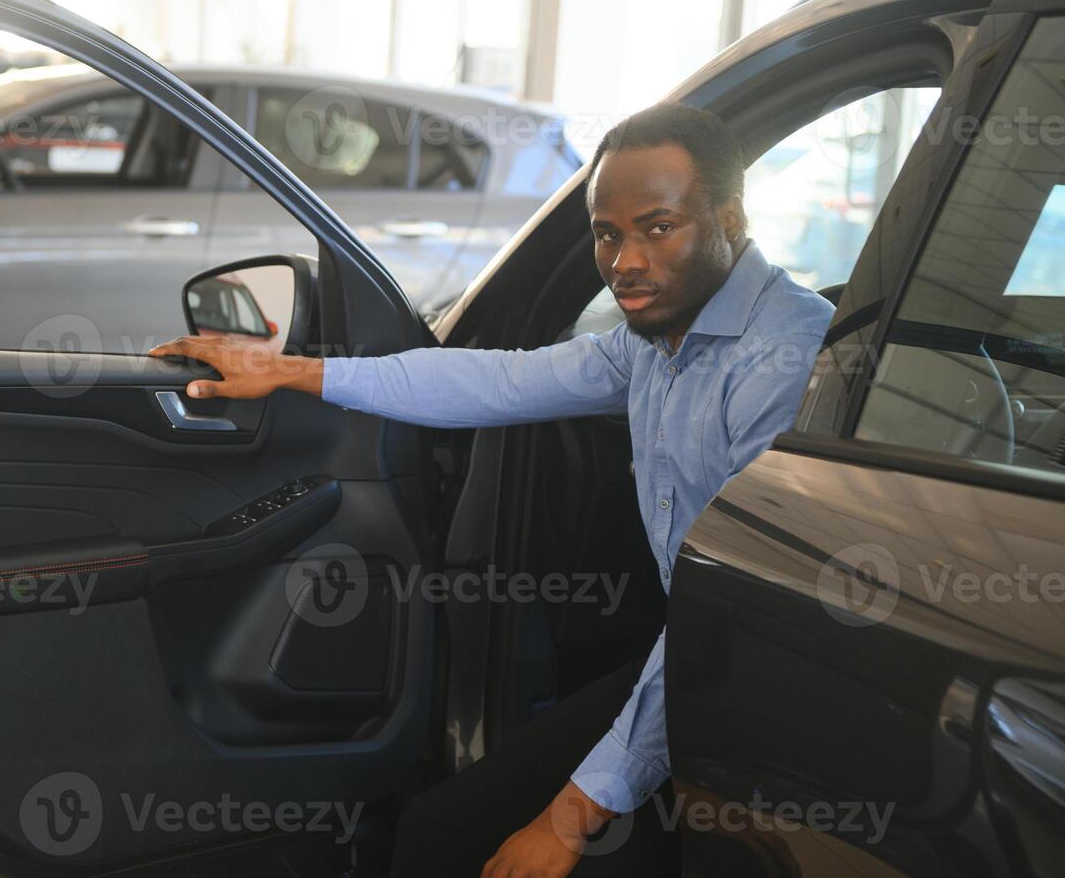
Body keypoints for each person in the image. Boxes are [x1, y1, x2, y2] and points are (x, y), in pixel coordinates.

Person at [151, 104, 834, 876]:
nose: (626, 262)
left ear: (730, 219)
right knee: (442, 831)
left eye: (657, 227)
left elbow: (733, 625)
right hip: (686, 665)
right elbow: (500, 379)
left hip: (766, 681)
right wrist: (292, 372)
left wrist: (568, 819)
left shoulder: (783, 364)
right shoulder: (654, 341)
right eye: (607, 234)